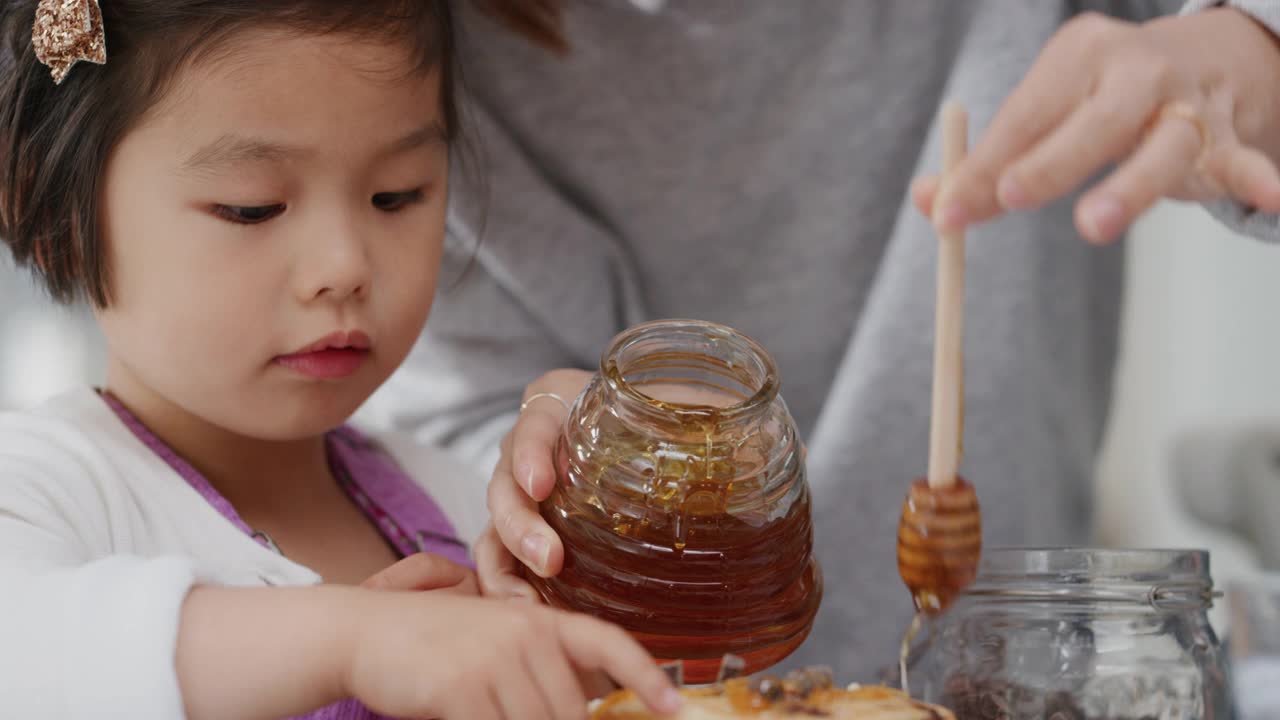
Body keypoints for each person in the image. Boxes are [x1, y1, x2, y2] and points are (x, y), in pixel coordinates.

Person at [363, 0, 1280, 682]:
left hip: (1017, 674)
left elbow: (1240, 75)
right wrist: (534, 462)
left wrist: (1251, 54)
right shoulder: (408, 40)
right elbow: (470, 425)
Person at [0, 1, 681, 718]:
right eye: (252, 209)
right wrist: (353, 641)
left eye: (396, 197)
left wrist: (596, 510)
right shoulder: (44, 486)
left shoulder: (460, 500)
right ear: (58, 224)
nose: (345, 265)